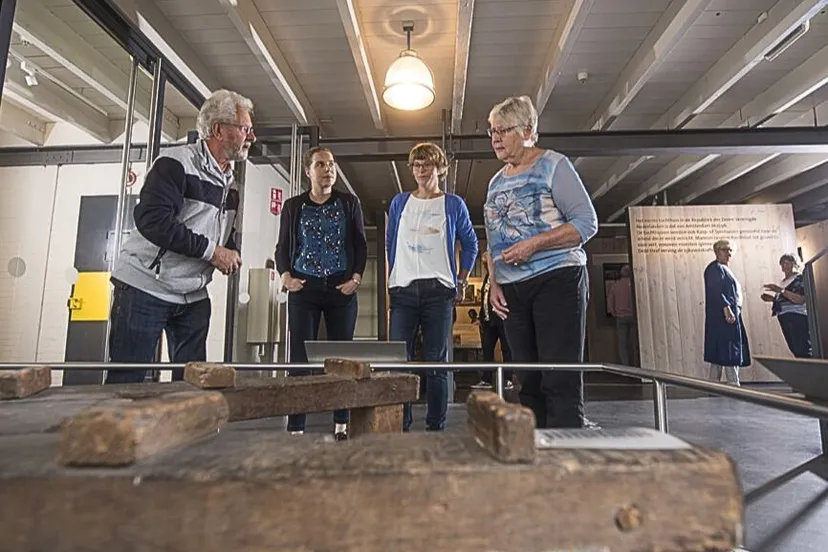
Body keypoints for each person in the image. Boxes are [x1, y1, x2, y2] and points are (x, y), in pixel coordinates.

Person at [106, 89, 252, 384]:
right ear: (218, 130)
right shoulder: (175, 163)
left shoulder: (231, 183)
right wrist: (213, 252)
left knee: (192, 384)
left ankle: (184, 430)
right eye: (245, 129)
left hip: (192, 296)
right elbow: (153, 221)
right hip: (145, 288)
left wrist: (229, 251)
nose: (252, 137)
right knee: (126, 384)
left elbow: (221, 233)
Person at [483, 96, 598, 429]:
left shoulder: (553, 165)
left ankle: (565, 461)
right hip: (512, 290)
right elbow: (493, 239)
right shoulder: (495, 181)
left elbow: (586, 223)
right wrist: (495, 281)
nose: (495, 139)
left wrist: (534, 245)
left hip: (557, 279)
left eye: (503, 131)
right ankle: (537, 453)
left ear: (528, 130)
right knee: (527, 380)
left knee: (558, 379)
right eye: (492, 132)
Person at [276, 146, 367, 440]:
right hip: (304, 289)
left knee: (341, 360)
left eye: (331, 164)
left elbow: (361, 244)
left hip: (341, 289)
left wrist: (356, 277)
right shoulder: (293, 206)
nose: (327, 169)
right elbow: (282, 247)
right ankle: (296, 426)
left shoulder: (349, 203)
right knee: (299, 360)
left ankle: (341, 422)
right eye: (320, 164)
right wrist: (286, 276)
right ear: (308, 171)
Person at [386, 142, 478, 432]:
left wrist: (461, 279)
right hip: (403, 291)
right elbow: (390, 243)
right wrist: (393, 278)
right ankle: (402, 423)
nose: (421, 170)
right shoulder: (400, 202)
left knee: (437, 361)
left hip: (439, 292)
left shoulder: (452, 204)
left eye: (427, 164)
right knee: (400, 362)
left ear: (440, 167)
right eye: (416, 165)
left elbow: (471, 243)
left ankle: (435, 426)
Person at [703, 239, 750, 386]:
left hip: (729, 315)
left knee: (724, 350)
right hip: (722, 317)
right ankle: (732, 384)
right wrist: (726, 308)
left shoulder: (724, 269)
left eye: (730, 250)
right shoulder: (714, 269)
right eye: (724, 250)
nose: (728, 253)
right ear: (717, 252)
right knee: (728, 349)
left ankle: (717, 384)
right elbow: (715, 290)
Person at [474, 251, 513, 388]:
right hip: (487, 321)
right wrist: (481, 316)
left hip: (501, 319)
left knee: (506, 349)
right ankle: (487, 379)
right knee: (487, 350)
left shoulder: (502, 278)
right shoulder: (487, 279)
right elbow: (484, 300)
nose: (486, 266)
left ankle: (508, 378)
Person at [762, 253, 812, 358]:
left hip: (797, 316)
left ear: (795, 264)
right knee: (794, 348)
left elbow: (800, 299)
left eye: (787, 263)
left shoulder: (800, 279)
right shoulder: (783, 282)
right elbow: (786, 299)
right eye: (782, 263)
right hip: (784, 316)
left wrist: (780, 290)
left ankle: (811, 371)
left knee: (802, 348)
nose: (785, 266)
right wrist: (772, 299)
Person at [607, 264, 634, 365]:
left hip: (620, 317)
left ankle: (625, 365)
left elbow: (610, 302)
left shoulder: (615, 285)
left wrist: (613, 313)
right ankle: (637, 364)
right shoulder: (634, 284)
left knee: (622, 343)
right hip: (633, 317)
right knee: (635, 342)